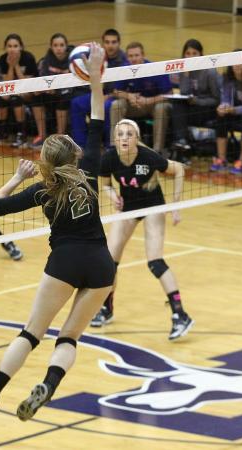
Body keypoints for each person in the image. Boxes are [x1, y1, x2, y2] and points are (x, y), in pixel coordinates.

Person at [0, 43, 115, 421]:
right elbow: (99, 117)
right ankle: (48, 386)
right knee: (68, 338)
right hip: (102, 265)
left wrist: (15, 178)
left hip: (64, 261)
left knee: (32, 333)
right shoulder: (90, 173)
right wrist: (96, 73)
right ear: (75, 157)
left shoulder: (41, 189)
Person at [89, 118, 192, 339]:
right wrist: (113, 195)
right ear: (115, 139)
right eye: (120, 134)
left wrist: (175, 205)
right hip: (128, 208)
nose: (124, 138)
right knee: (109, 261)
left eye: (129, 134)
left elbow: (180, 170)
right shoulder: (108, 158)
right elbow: (105, 184)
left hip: (153, 206)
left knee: (155, 262)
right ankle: (106, 308)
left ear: (136, 138)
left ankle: (180, 315)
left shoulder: (148, 157)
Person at [110, 42, 172, 155]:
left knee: (162, 107)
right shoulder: (125, 69)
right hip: (134, 106)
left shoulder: (155, 69)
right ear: (127, 57)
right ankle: (115, 147)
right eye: (130, 56)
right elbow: (115, 91)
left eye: (136, 55)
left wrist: (149, 100)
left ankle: (157, 151)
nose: (133, 59)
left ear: (143, 55)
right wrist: (129, 96)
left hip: (152, 105)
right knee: (116, 105)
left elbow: (169, 94)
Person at [70, 28, 127, 149]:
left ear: (119, 43)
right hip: (99, 94)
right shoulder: (98, 56)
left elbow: (118, 88)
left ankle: (109, 147)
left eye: (113, 42)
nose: (110, 46)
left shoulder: (123, 61)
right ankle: (81, 145)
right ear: (103, 43)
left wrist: (105, 95)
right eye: (107, 42)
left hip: (115, 96)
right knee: (76, 103)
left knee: (107, 106)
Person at [0, 33, 44, 149]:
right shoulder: (3, 59)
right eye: (9, 46)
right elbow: (6, 82)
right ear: (5, 48)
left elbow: (26, 84)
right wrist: (10, 66)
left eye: (15, 46)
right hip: (12, 89)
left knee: (16, 98)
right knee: (0, 98)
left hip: (29, 91)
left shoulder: (28, 58)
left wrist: (16, 65)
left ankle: (21, 134)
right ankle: (1, 131)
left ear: (21, 47)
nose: (12, 49)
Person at [170, 39, 220, 163]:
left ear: (201, 54)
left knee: (179, 114)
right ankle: (181, 143)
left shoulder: (210, 71)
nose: (191, 56)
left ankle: (182, 145)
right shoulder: (183, 70)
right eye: (188, 53)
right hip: (191, 108)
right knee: (175, 106)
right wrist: (186, 74)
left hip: (207, 109)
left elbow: (217, 99)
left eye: (194, 53)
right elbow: (184, 93)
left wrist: (197, 101)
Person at [38, 33, 71, 135]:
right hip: (52, 93)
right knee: (36, 99)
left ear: (66, 46)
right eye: (55, 45)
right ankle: (41, 135)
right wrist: (47, 88)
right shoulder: (47, 59)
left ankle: (60, 135)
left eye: (61, 45)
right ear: (51, 47)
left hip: (68, 93)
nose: (59, 48)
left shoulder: (72, 59)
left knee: (63, 100)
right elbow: (43, 78)